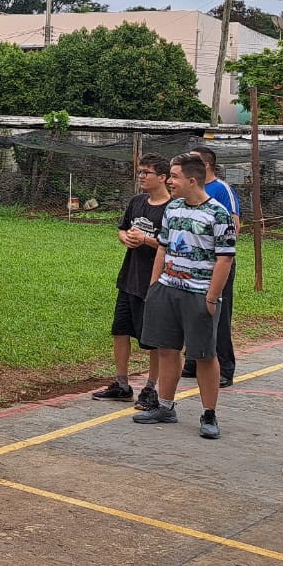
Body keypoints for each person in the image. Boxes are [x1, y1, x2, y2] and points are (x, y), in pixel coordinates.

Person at [133, 153, 235, 439]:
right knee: (167, 348)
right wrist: (155, 286)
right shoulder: (173, 208)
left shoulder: (218, 213)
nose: (170, 181)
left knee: (203, 354)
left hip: (199, 293)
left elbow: (225, 259)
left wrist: (212, 298)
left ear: (192, 180)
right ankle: (165, 406)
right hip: (167, 289)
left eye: (175, 177)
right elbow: (163, 248)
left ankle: (209, 413)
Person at [94, 154, 171, 406]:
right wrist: (125, 238)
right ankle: (122, 383)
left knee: (152, 340)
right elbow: (122, 228)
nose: (141, 176)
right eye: (140, 172)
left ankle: (150, 387)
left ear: (162, 177)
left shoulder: (172, 209)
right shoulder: (136, 201)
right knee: (120, 330)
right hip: (129, 277)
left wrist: (146, 240)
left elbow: (172, 245)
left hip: (153, 282)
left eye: (147, 172)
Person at [186, 145, 238, 387]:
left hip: (217, 263)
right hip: (191, 264)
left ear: (205, 165)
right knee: (191, 312)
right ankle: (193, 361)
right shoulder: (189, 191)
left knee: (218, 312)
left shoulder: (221, 190)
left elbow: (234, 226)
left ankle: (225, 368)